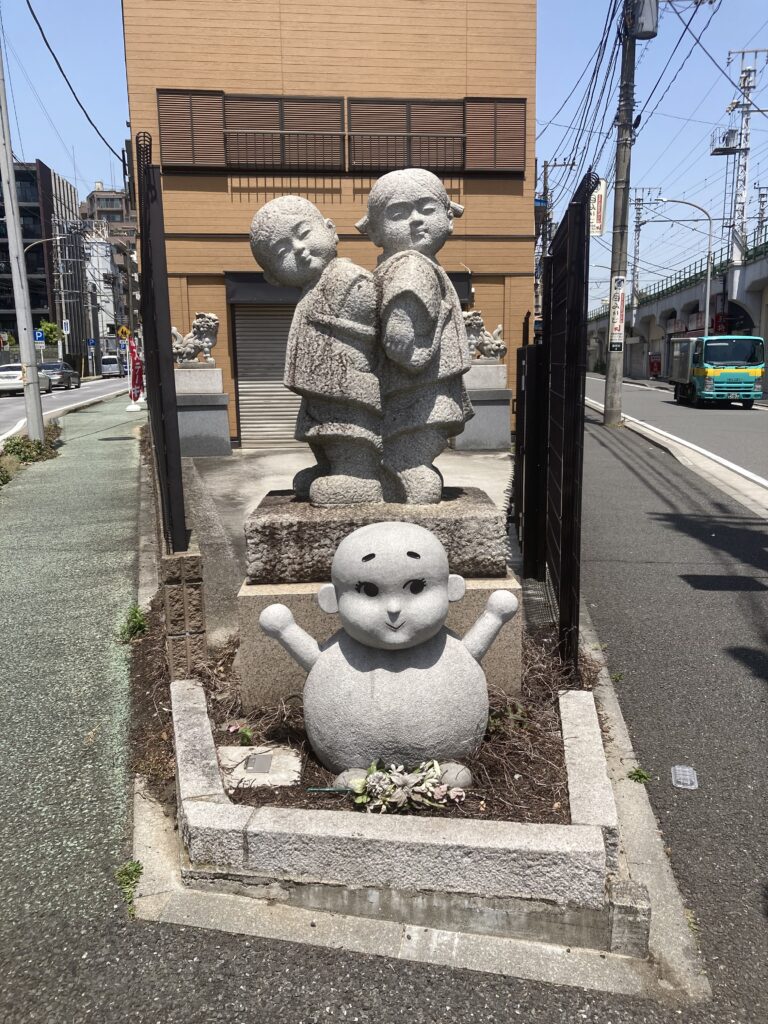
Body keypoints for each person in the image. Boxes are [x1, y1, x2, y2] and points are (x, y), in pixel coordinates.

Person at [250, 195, 383, 505]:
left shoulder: (348, 277)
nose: (298, 248)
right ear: (272, 277)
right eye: (282, 251)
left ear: (331, 230)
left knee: (347, 428)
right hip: (320, 388)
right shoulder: (313, 290)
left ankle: (360, 476)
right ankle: (332, 466)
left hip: (347, 385)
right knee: (321, 429)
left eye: (304, 233)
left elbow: (368, 314)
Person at [356, 169, 473, 504]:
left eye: (427, 208)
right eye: (399, 213)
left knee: (423, 423)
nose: (416, 220)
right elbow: (406, 290)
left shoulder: (419, 263)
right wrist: (400, 321)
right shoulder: (410, 262)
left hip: (424, 371)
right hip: (415, 371)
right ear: (375, 230)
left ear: (448, 219)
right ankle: (404, 467)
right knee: (420, 421)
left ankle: (398, 466)